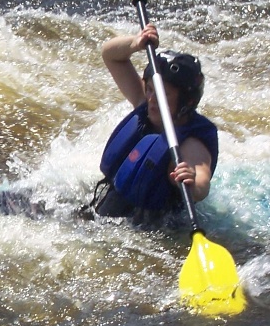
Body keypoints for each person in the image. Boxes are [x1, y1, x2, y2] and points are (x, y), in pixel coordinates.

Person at [85, 24, 218, 223]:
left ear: (187, 101)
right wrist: (135, 43)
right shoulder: (145, 102)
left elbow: (201, 181)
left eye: (164, 94)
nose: (153, 99)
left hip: (153, 229)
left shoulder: (192, 143)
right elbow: (110, 55)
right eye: (149, 89)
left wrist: (191, 180)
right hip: (108, 210)